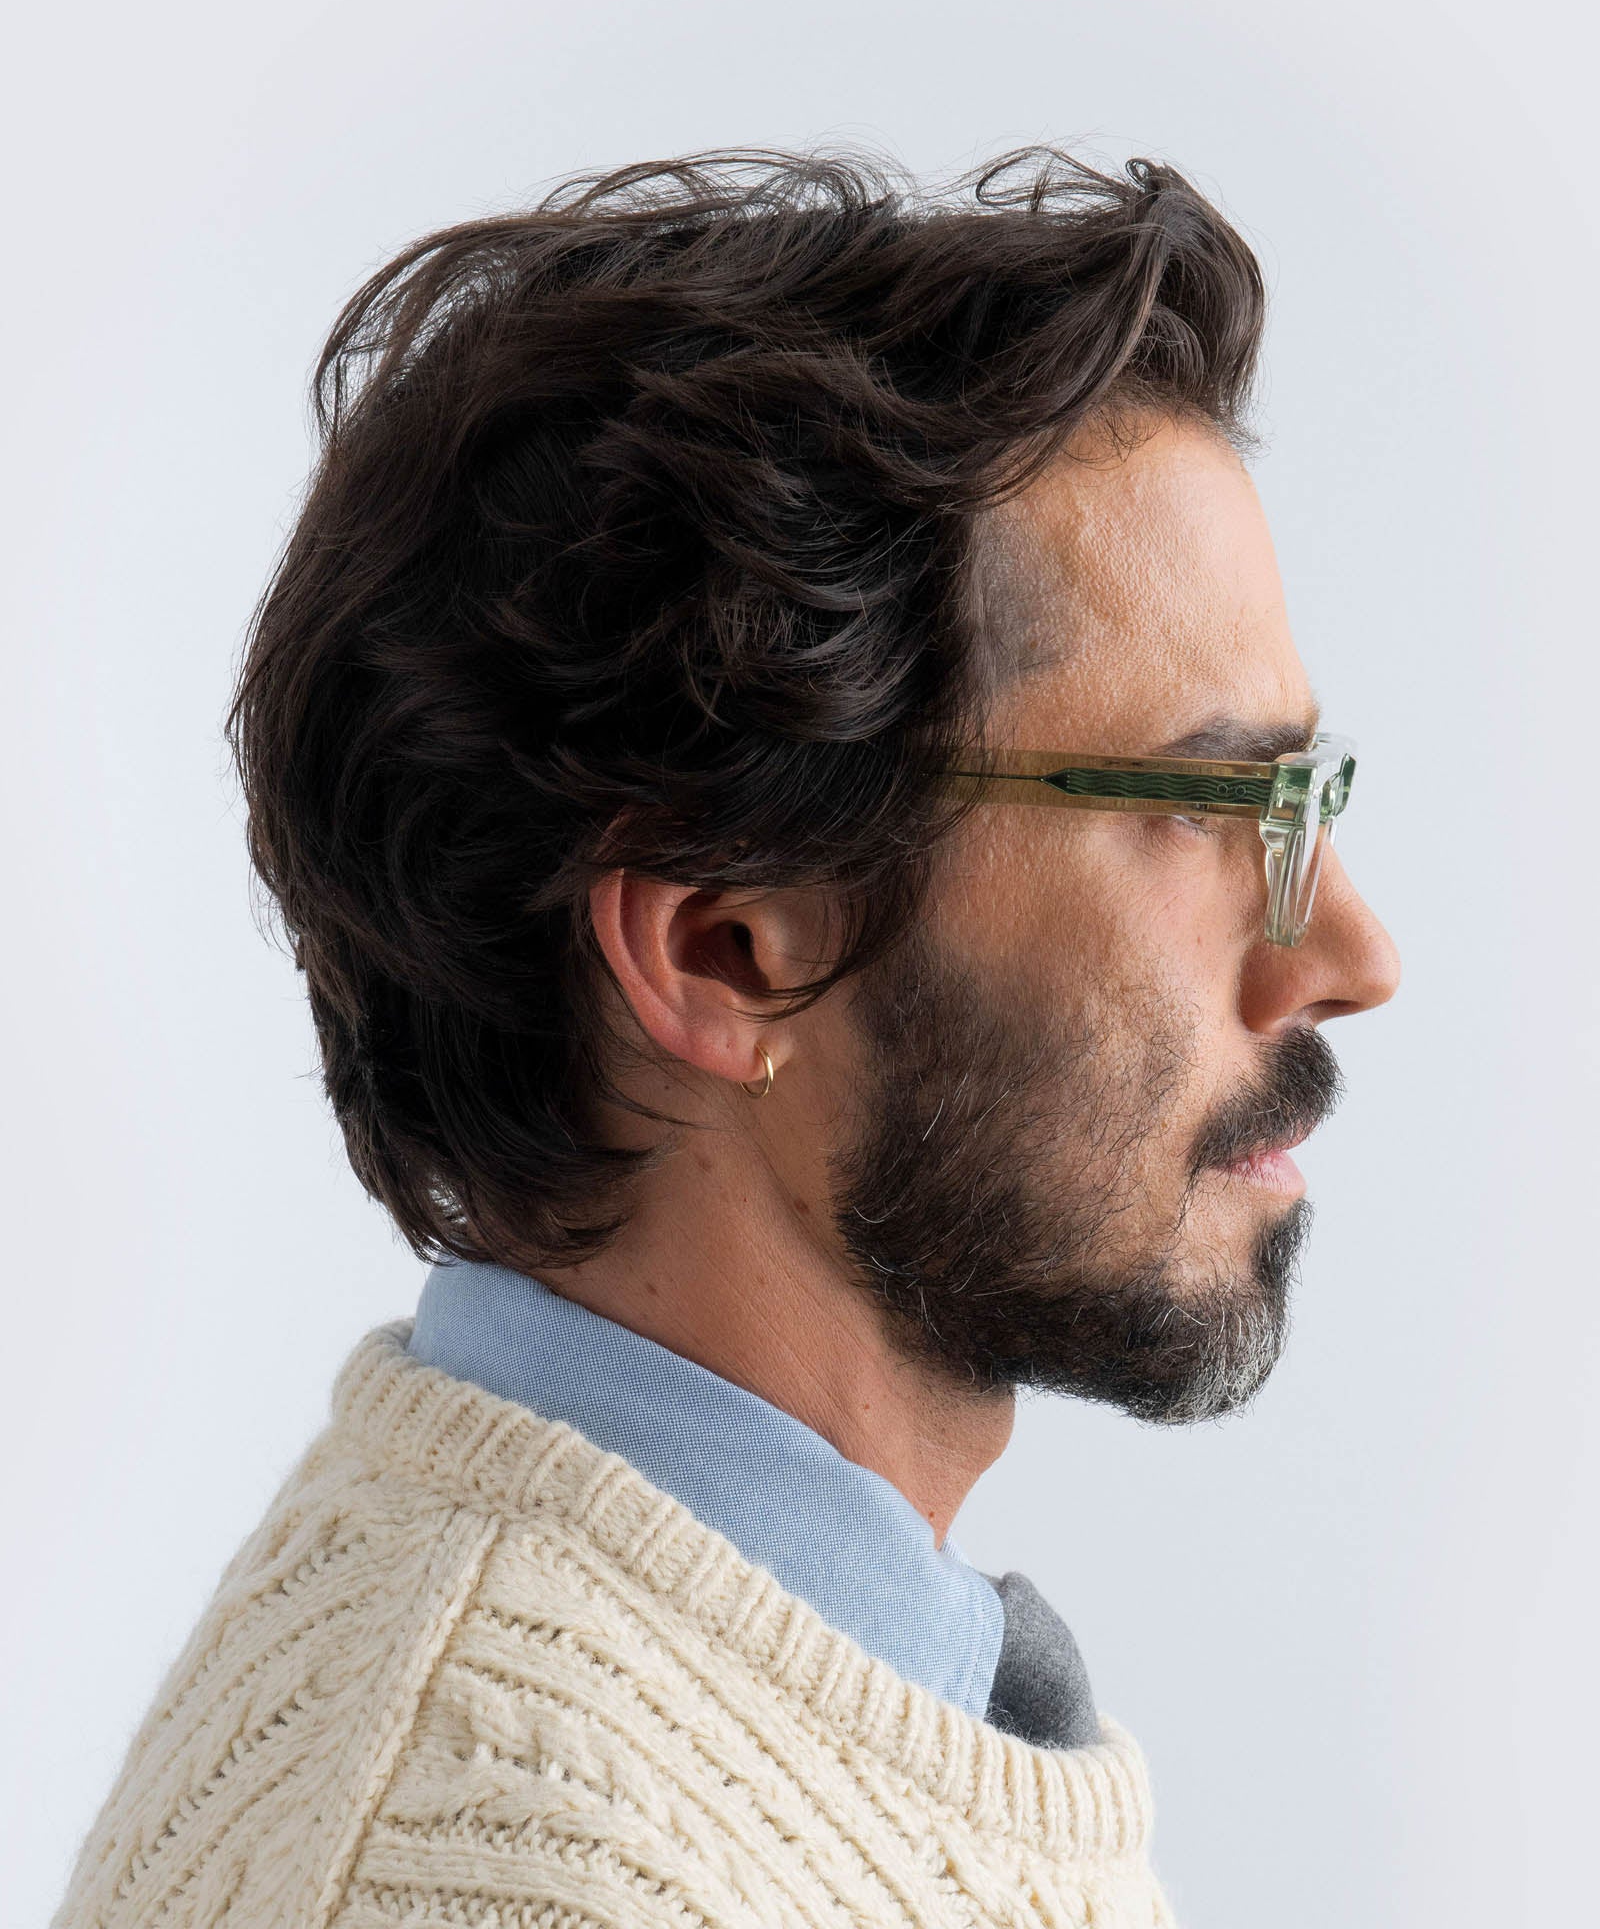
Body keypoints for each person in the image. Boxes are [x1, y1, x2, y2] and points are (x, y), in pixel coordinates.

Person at [52, 145, 1400, 1929]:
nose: (1351, 953)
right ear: (725, 949)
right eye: (1209, 804)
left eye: (1300, 799)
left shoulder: (792, 1699)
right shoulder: (505, 1881)